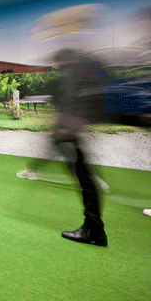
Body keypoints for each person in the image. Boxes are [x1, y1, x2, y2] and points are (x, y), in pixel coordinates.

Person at [53, 48, 109, 247]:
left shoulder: (74, 77)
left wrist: (66, 127)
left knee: (86, 179)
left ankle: (94, 230)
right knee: (85, 177)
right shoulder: (83, 74)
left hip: (75, 132)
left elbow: (76, 105)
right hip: (77, 132)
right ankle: (94, 229)